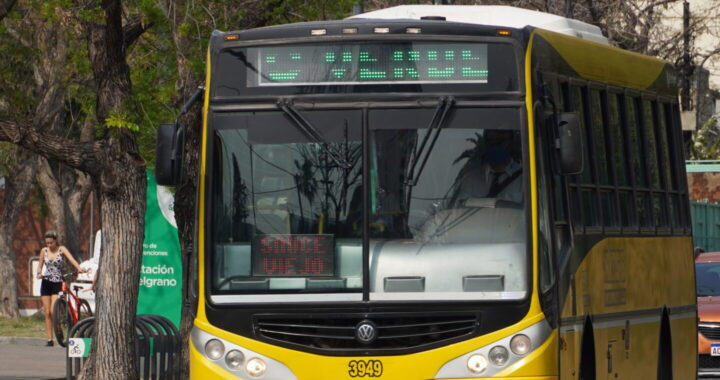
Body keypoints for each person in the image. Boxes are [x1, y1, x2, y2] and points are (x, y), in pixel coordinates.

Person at [36, 231, 86, 347]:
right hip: (46, 282)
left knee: (54, 311)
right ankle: (50, 339)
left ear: (55, 241)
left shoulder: (61, 249)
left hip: (57, 282)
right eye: (47, 243)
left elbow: (72, 259)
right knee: (47, 312)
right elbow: (40, 264)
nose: (49, 245)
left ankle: (59, 332)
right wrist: (38, 273)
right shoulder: (44, 251)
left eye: (51, 243)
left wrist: (79, 268)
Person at [451, 129, 523, 205]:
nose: (495, 147)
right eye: (491, 141)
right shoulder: (470, 180)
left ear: (511, 142)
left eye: (500, 142)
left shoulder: (525, 179)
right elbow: (456, 210)